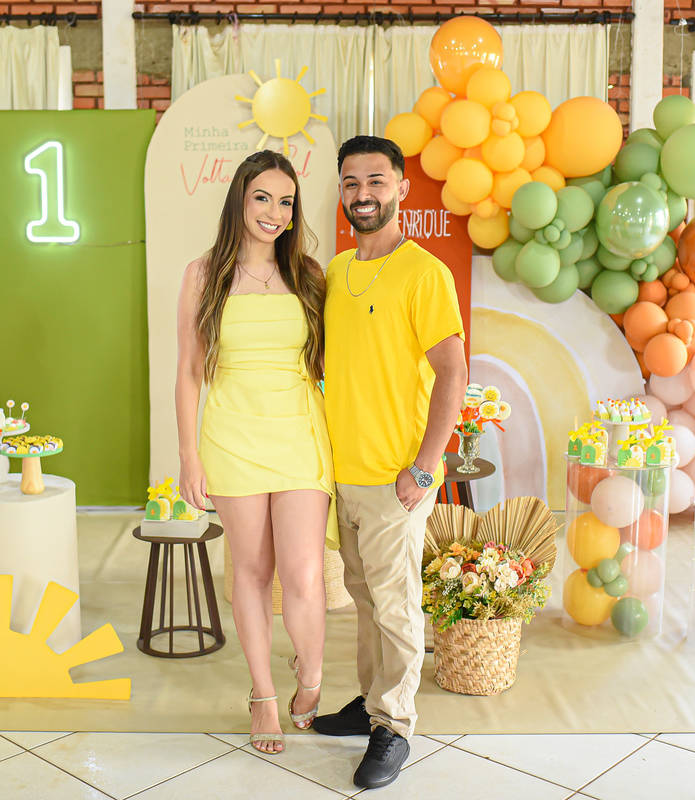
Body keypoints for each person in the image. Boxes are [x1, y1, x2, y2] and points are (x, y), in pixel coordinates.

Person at [312, 136, 467, 789]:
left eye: (376, 181)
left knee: (396, 605)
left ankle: (395, 726)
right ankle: (371, 702)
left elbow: (454, 372)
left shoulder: (423, 273)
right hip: (342, 472)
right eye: (351, 182)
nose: (363, 194)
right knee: (364, 599)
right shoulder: (337, 271)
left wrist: (425, 467)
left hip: (395, 478)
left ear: (402, 188)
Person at [175, 150, 336, 755]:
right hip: (231, 435)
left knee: (303, 572)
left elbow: (330, 362)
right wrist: (189, 456)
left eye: (286, 201)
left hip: (299, 431)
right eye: (262, 198)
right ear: (240, 201)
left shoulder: (308, 273)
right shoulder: (203, 274)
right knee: (252, 570)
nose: (274, 212)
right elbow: (189, 372)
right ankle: (263, 694)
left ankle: (311, 675)